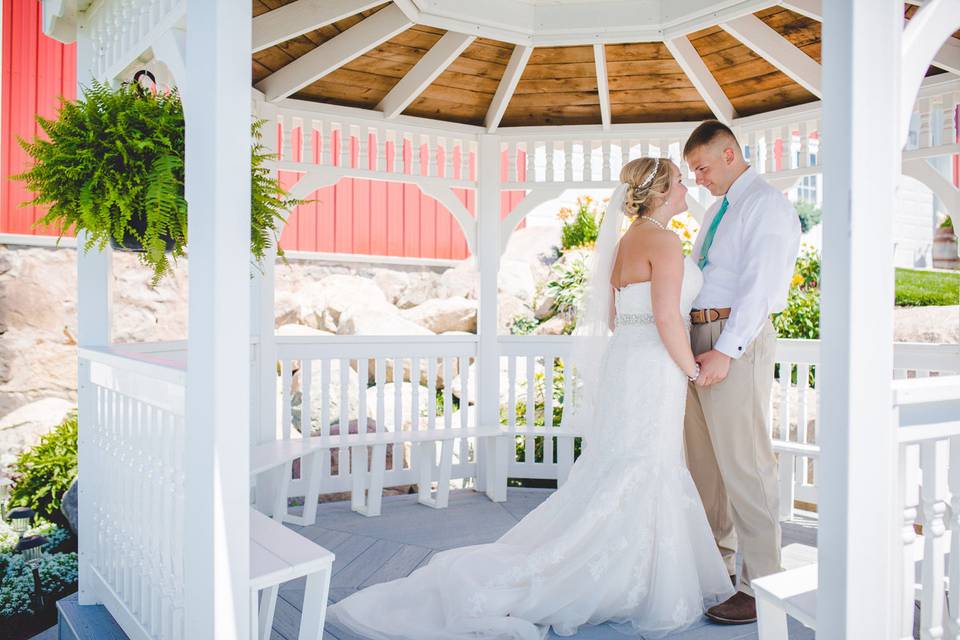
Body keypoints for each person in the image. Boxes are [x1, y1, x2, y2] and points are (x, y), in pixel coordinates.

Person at [325, 157, 734, 640]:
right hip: (656, 366)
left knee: (623, 463)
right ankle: (628, 577)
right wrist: (690, 369)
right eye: (682, 181)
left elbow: (612, 317)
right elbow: (668, 318)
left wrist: (653, 352)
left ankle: (629, 570)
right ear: (663, 192)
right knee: (646, 464)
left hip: (630, 361)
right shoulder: (664, 242)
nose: (688, 188)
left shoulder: (627, 242)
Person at [681, 120, 801, 625]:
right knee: (706, 467)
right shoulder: (717, 210)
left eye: (702, 167)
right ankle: (719, 567)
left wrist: (726, 350)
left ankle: (761, 586)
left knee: (747, 465)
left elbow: (762, 287)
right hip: (698, 339)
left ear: (730, 153)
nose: (698, 179)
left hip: (734, 340)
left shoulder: (767, 206)